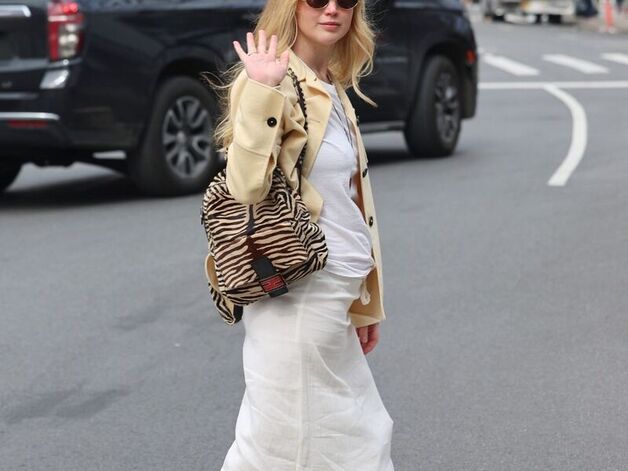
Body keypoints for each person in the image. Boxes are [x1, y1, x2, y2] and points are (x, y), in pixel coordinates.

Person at [212, 0, 394, 469]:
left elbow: (348, 200)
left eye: (345, 0)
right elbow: (246, 185)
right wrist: (261, 90)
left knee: (316, 440)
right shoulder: (268, 78)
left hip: (332, 295)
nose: (332, 9)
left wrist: (364, 300)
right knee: (315, 445)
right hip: (300, 298)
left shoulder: (329, 83)